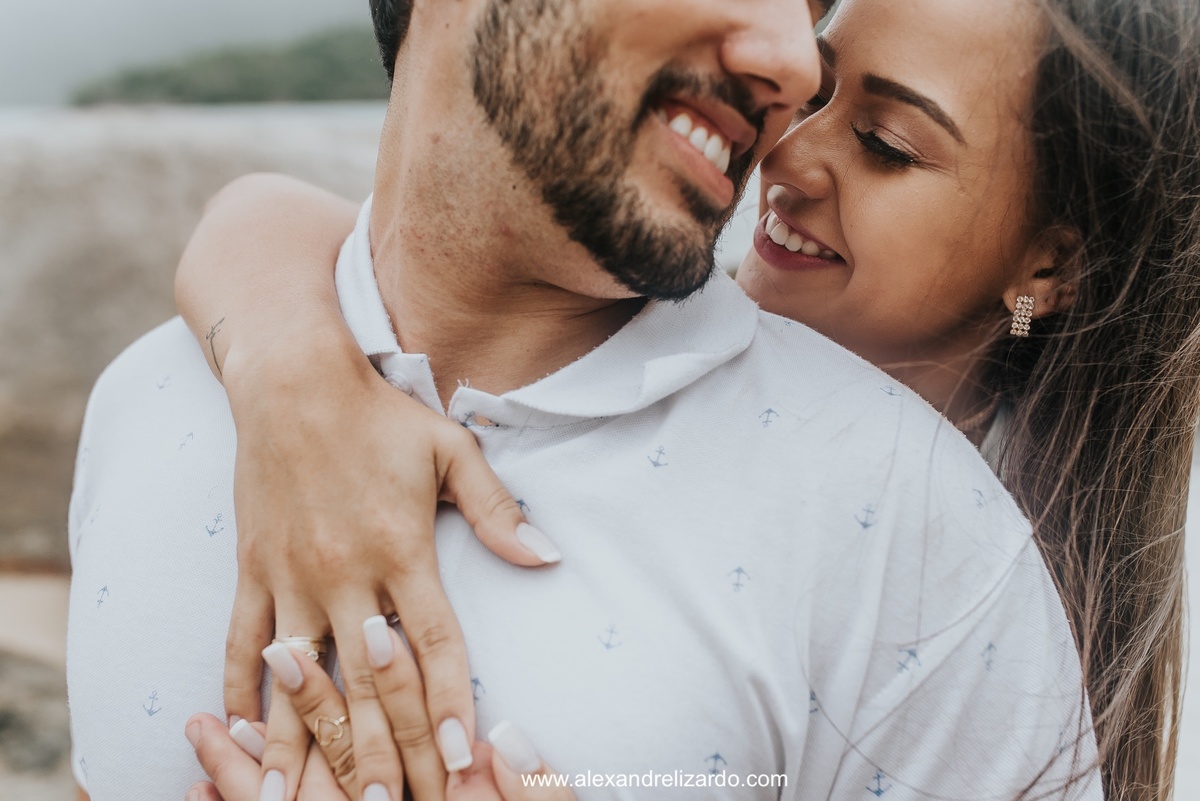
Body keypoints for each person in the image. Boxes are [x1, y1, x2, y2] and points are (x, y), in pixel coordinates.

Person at [66, 1, 1101, 800]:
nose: (798, 72)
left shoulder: (932, 542)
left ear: (1046, 267)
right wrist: (286, 370)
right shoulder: (157, 394)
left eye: (889, 144)